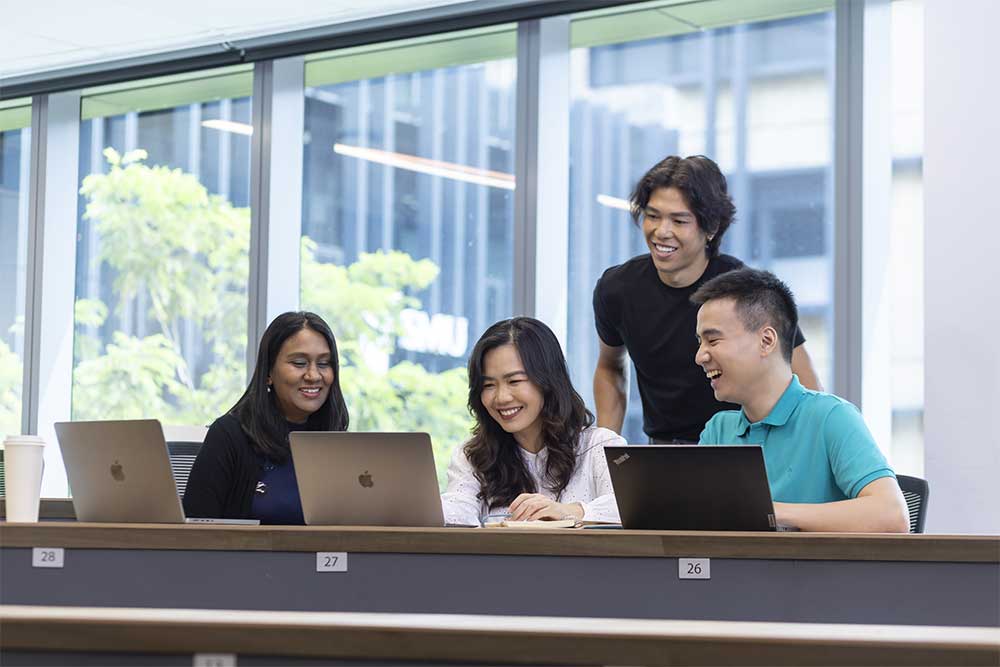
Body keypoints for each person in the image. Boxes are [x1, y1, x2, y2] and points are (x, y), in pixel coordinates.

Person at [592, 155, 822, 443]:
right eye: (652, 216)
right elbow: (609, 367)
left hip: (741, 444)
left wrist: (807, 448)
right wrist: (605, 448)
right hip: (663, 449)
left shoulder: (746, 290)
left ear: (710, 229)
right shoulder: (616, 289)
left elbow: (802, 379)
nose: (661, 231)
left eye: (679, 220)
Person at [692, 268, 909, 532]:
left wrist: (770, 511)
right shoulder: (717, 431)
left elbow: (892, 516)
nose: (700, 356)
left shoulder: (831, 417)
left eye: (713, 340)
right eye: (700, 342)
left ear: (767, 340)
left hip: (816, 573)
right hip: (741, 572)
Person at [442, 317, 625, 526]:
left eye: (515, 381)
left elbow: (633, 508)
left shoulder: (599, 446)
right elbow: (457, 510)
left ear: (548, 380)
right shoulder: (472, 456)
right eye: (489, 385)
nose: (501, 397)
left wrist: (569, 511)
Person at [183, 311, 349, 523]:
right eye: (299, 363)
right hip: (242, 556)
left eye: (324, 364)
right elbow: (194, 532)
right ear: (269, 371)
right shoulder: (229, 435)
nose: (314, 375)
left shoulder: (339, 441)